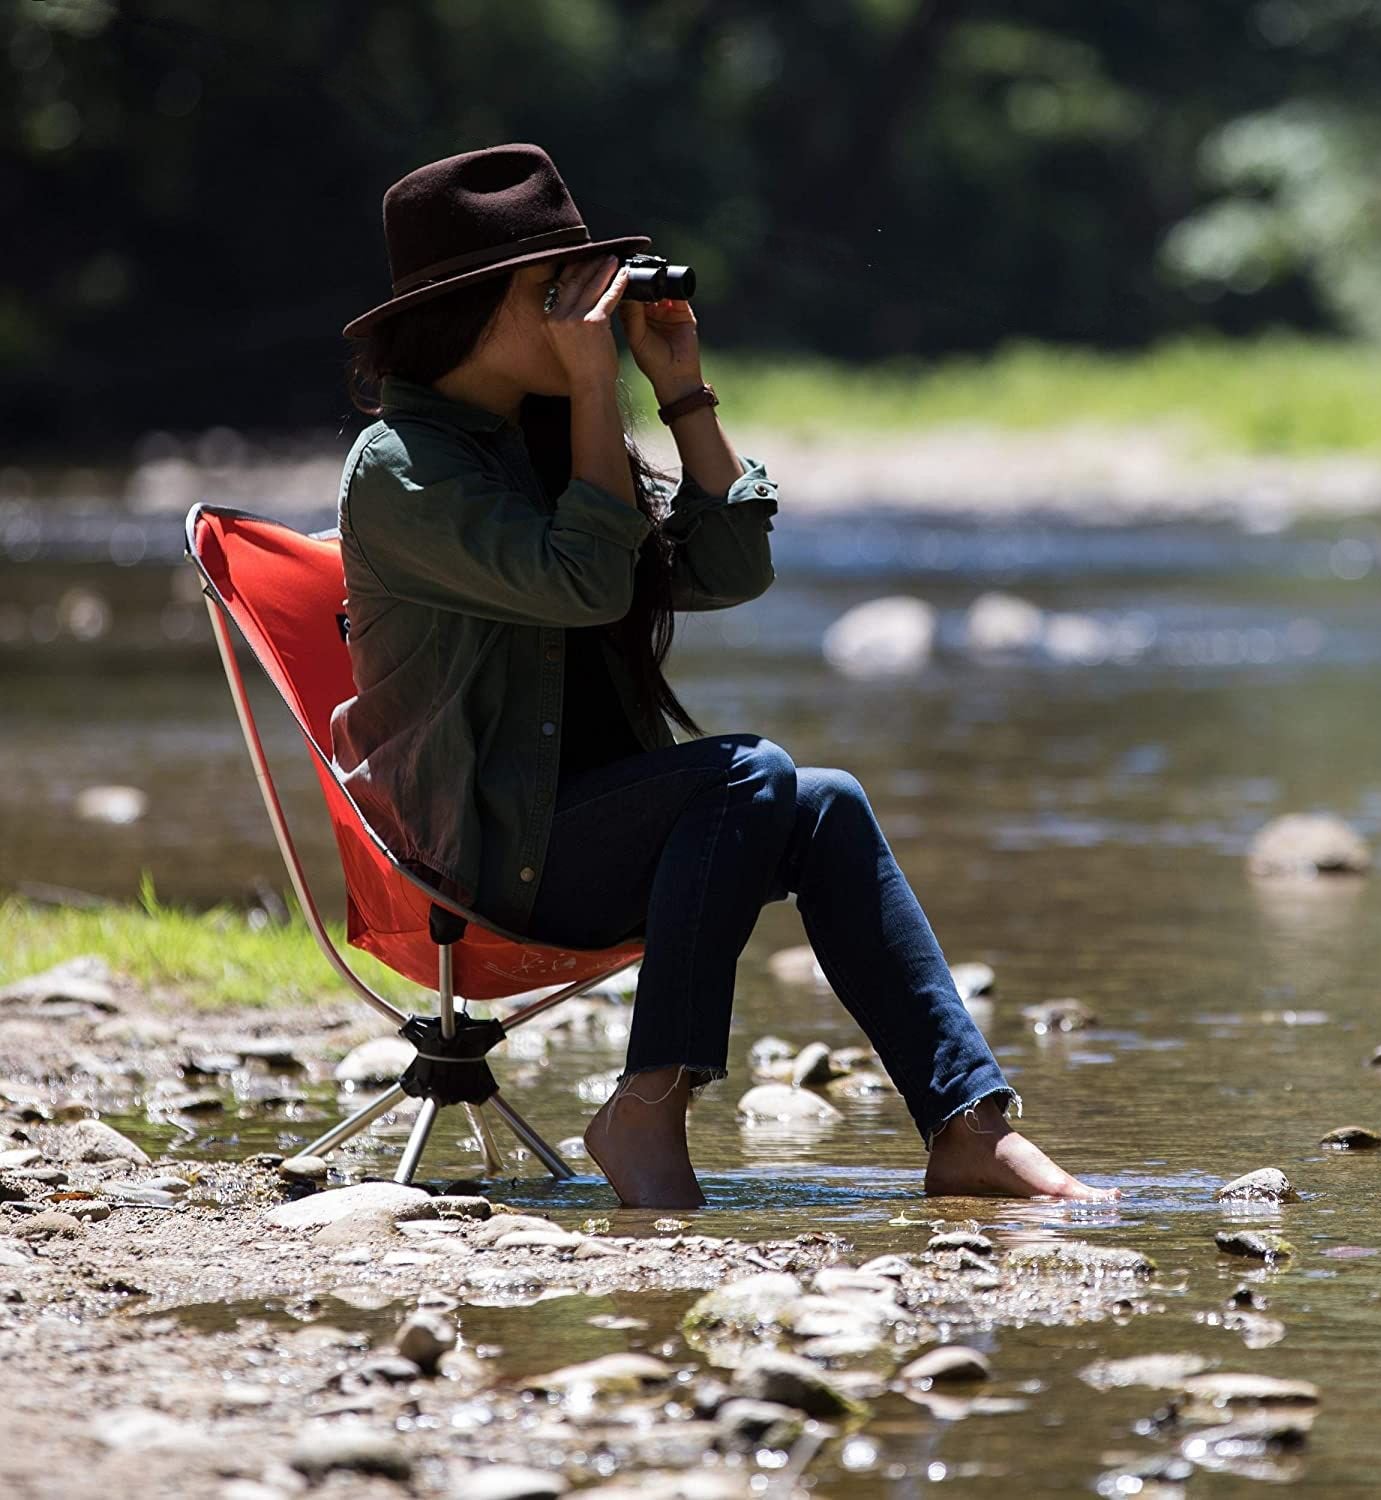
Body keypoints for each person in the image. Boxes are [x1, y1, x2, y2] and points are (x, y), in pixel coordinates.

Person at [333, 143, 1118, 1208]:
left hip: (583, 833)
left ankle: (966, 1127)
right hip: (490, 862)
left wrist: (680, 389)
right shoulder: (400, 471)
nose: (593, 314)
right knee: (751, 774)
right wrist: (591, 386)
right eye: (558, 293)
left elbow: (729, 568)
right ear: (469, 309)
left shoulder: (553, 440)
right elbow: (580, 585)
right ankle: (646, 1107)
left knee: (826, 803)